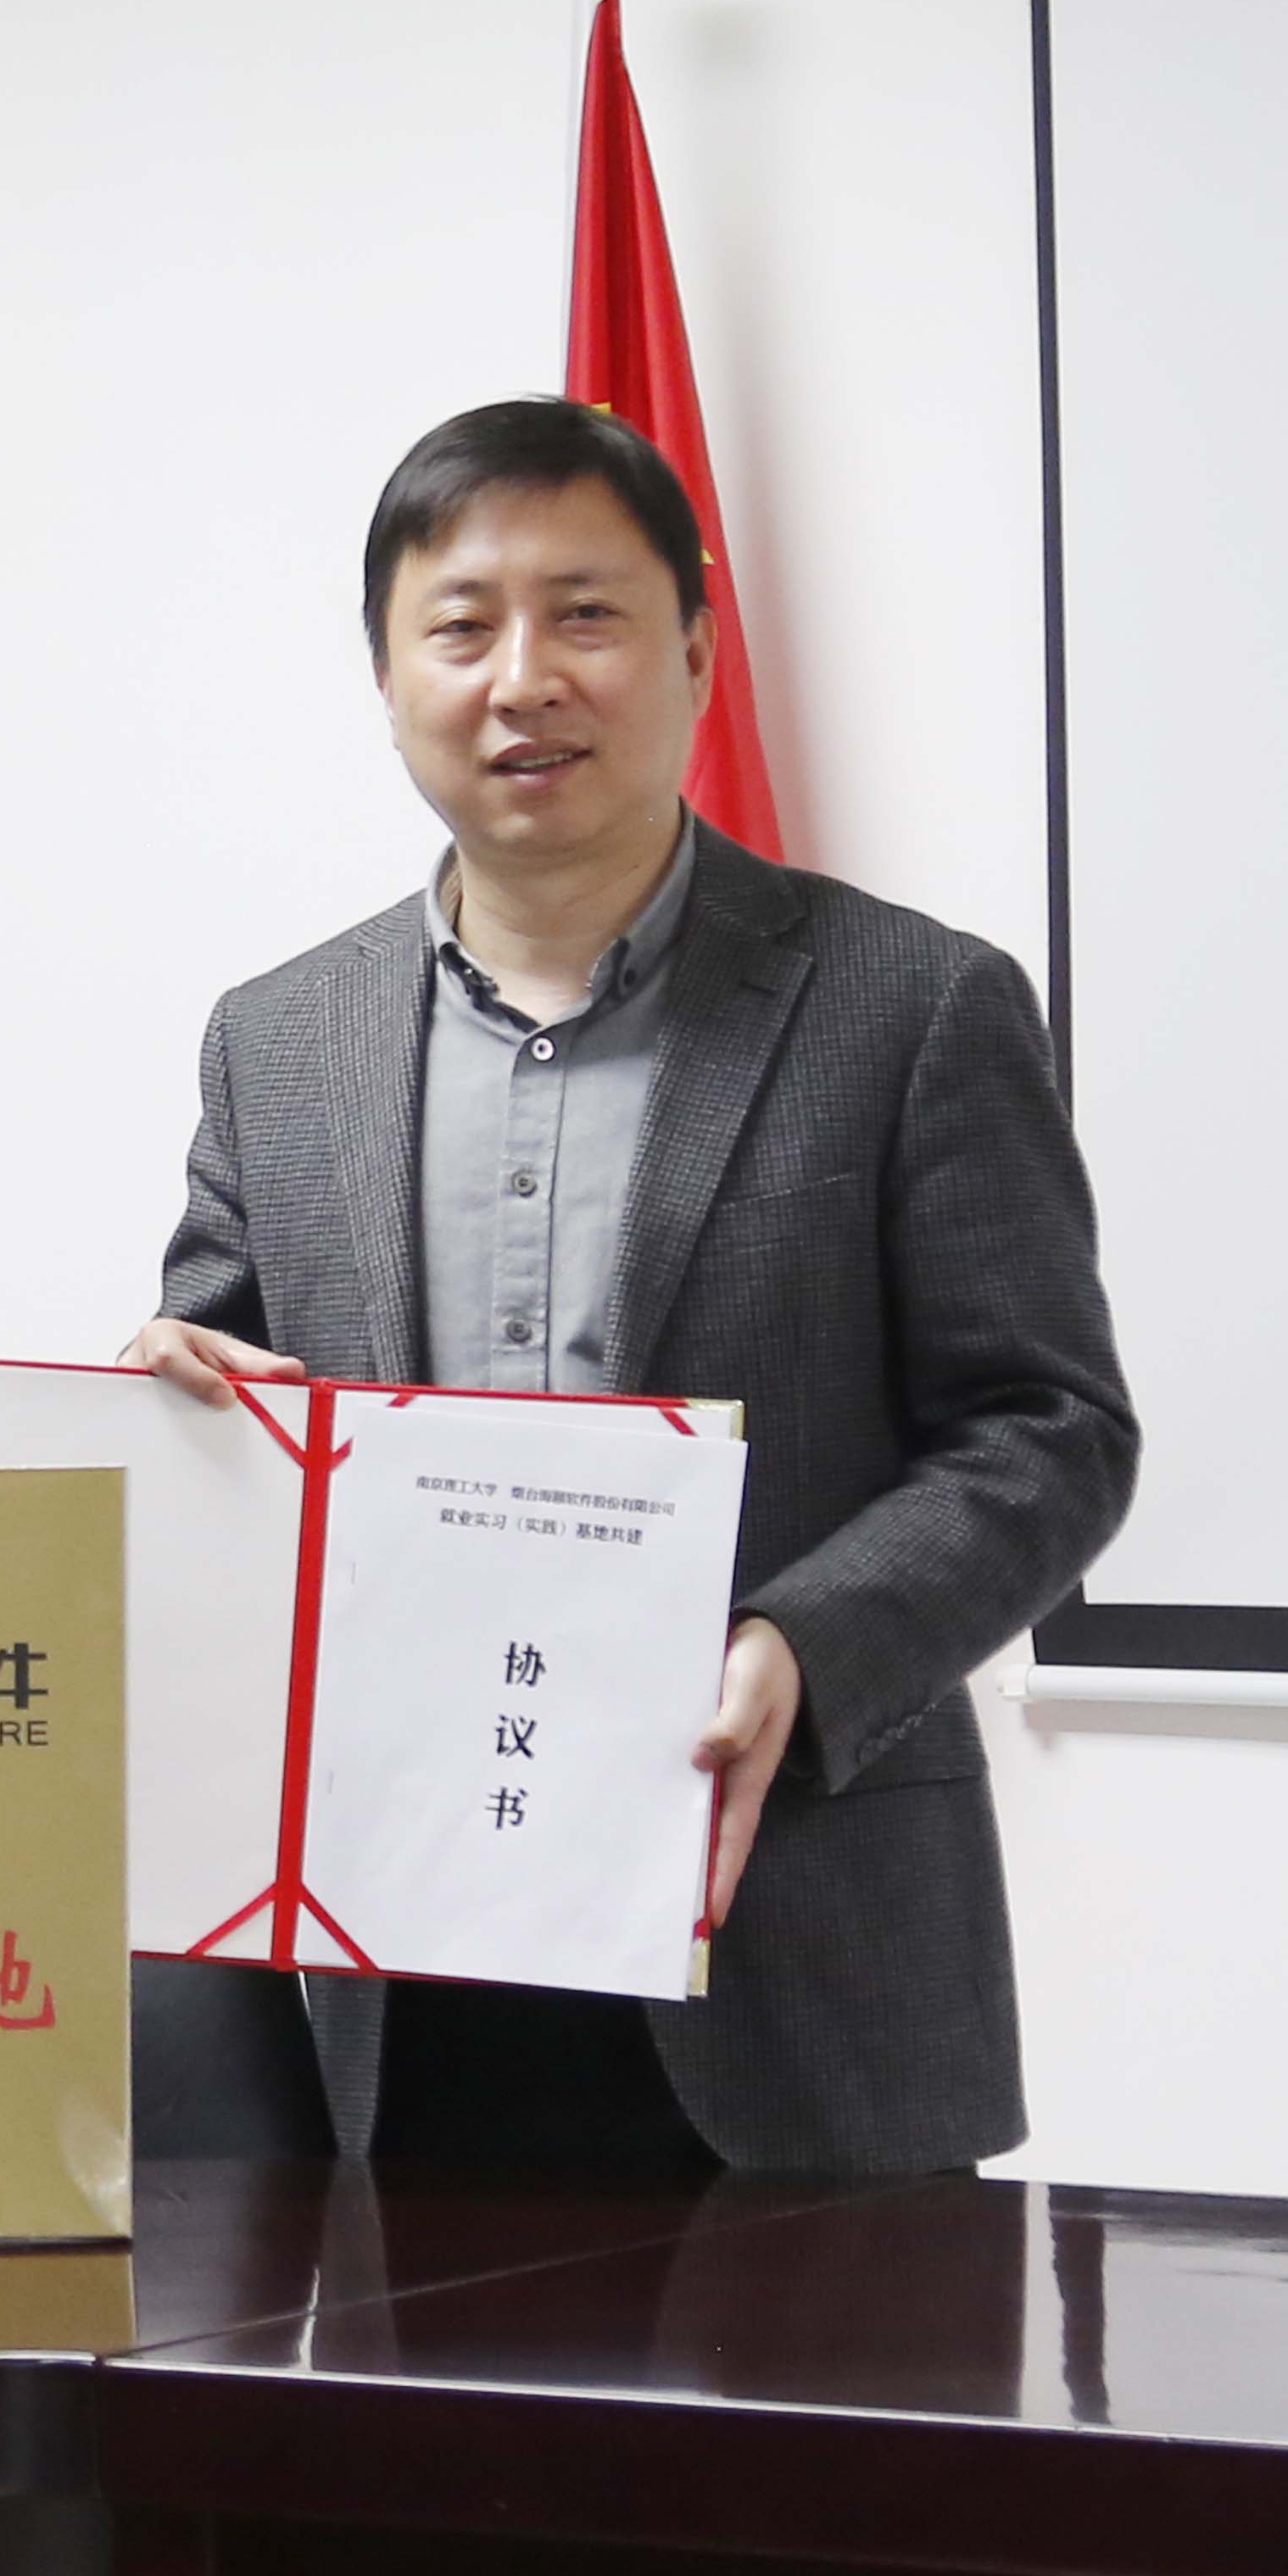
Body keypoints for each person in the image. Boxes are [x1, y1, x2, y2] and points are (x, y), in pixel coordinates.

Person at [131, 399, 1132, 2178]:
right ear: (387, 678)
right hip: (398, 1963)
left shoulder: (910, 1008)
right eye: (461, 627)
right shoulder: (278, 1044)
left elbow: (1051, 1433)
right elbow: (237, 1408)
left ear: (694, 651)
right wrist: (171, 1423)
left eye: (586, 614)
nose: (525, 679)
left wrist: (805, 1647)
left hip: (791, 1938)